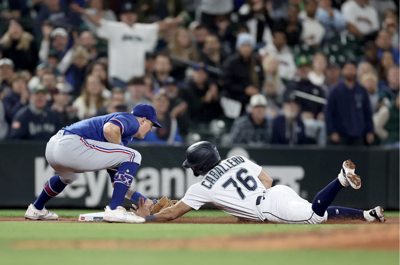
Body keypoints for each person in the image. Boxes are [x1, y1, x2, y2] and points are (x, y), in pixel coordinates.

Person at [131, 141, 385, 224]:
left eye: (194, 165)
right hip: (277, 192)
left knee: (314, 217)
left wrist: (146, 218)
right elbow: (268, 180)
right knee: (318, 212)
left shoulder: (202, 187)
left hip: (268, 208)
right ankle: (367, 215)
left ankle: (340, 179)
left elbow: (174, 212)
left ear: (201, 167)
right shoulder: (238, 159)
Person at [24, 103, 163, 223]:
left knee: (70, 177)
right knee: (134, 155)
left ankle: (36, 208)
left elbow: (118, 182)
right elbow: (109, 129)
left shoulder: (122, 136)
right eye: (151, 125)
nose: (151, 130)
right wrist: (122, 151)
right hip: (71, 144)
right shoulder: (131, 121)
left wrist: (144, 200)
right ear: (143, 120)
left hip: (54, 146)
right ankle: (114, 209)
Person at [70, 1, 184, 88]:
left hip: (137, 78)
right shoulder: (116, 28)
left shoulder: (142, 29)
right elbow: (99, 22)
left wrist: (177, 21)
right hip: (119, 76)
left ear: (136, 16)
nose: (129, 16)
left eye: (131, 14)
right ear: (121, 16)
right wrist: (82, 11)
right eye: (126, 14)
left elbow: (159, 25)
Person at [325, 61, 374, 146]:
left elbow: (368, 113)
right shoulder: (334, 91)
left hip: (358, 134)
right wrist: (331, 131)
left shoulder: (362, 91)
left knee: (357, 159)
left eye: (352, 69)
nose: (350, 71)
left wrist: (370, 131)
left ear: (356, 71)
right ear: (342, 71)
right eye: (347, 69)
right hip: (340, 135)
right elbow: (328, 112)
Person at [222, 33, 263, 114]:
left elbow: (261, 78)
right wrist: (244, 89)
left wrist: (256, 89)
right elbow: (226, 83)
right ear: (238, 47)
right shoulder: (231, 63)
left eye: (248, 46)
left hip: (252, 101)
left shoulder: (256, 62)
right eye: (243, 46)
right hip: (233, 101)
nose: (246, 49)